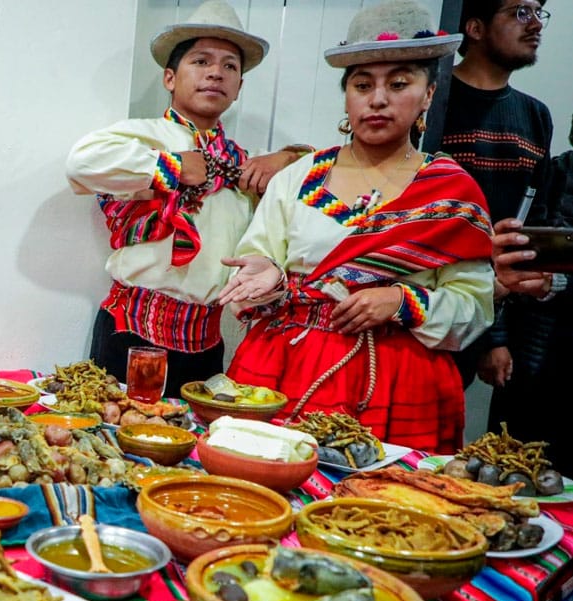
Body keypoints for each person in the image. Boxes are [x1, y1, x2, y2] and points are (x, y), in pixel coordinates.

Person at [218, 0, 494, 454]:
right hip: (285, 367)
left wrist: (401, 301)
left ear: (428, 93)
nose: (378, 99)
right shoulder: (299, 178)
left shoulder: (450, 194)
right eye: (363, 84)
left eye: (399, 82)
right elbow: (253, 264)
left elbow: (475, 307)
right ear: (347, 95)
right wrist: (266, 276)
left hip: (399, 380)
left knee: (382, 511)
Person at [65, 0, 305, 395]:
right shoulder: (142, 137)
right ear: (170, 78)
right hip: (132, 333)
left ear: (239, 87)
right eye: (201, 61)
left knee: (193, 446)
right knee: (117, 441)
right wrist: (173, 168)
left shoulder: (244, 165)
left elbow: (316, 176)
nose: (216, 72)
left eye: (230, 66)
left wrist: (287, 157)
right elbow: (81, 163)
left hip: (207, 345)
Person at [437, 0, 553, 392]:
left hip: (491, 305)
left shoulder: (536, 115)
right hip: (425, 298)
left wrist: (495, 334)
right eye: (520, 12)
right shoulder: (434, 99)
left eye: (539, 13)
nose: (535, 23)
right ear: (475, 28)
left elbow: (529, 222)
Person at [487, 116, 573, 472]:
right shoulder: (553, 172)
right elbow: (506, 259)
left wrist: (559, 282)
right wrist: (495, 338)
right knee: (509, 466)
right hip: (529, 351)